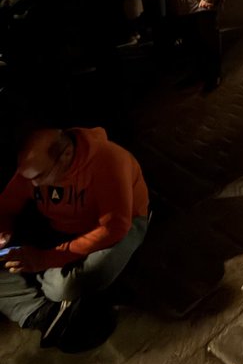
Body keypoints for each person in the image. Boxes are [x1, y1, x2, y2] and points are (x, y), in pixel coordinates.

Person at [0, 127, 149, 348]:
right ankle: (43, 313)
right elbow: (7, 204)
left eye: (39, 176)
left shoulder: (108, 162)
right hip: (64, 229)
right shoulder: (35, 168)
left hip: (118, 228)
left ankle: (48, 291)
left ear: (66, 156)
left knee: (61, 287)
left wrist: (48, 258)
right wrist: (3, 228)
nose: (33, 184)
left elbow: (113, 228)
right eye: (28, 177)